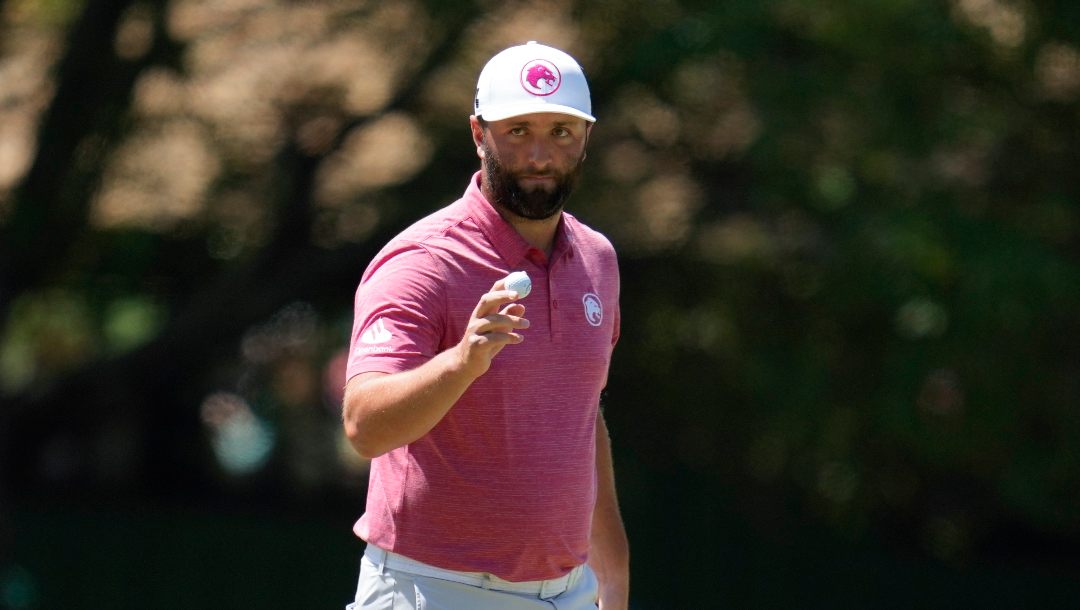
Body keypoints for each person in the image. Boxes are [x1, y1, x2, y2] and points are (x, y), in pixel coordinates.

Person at [342, 41, 629, 610]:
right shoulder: (422, 261)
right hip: (434, 589)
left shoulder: (597, 259)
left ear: (586, 139)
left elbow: (580, 415)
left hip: (568, 591)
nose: (541, 155)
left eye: (561, 131)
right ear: (479, 134)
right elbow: (363, 426)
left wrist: (613, 573)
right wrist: (462, 363)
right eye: (518, 130)